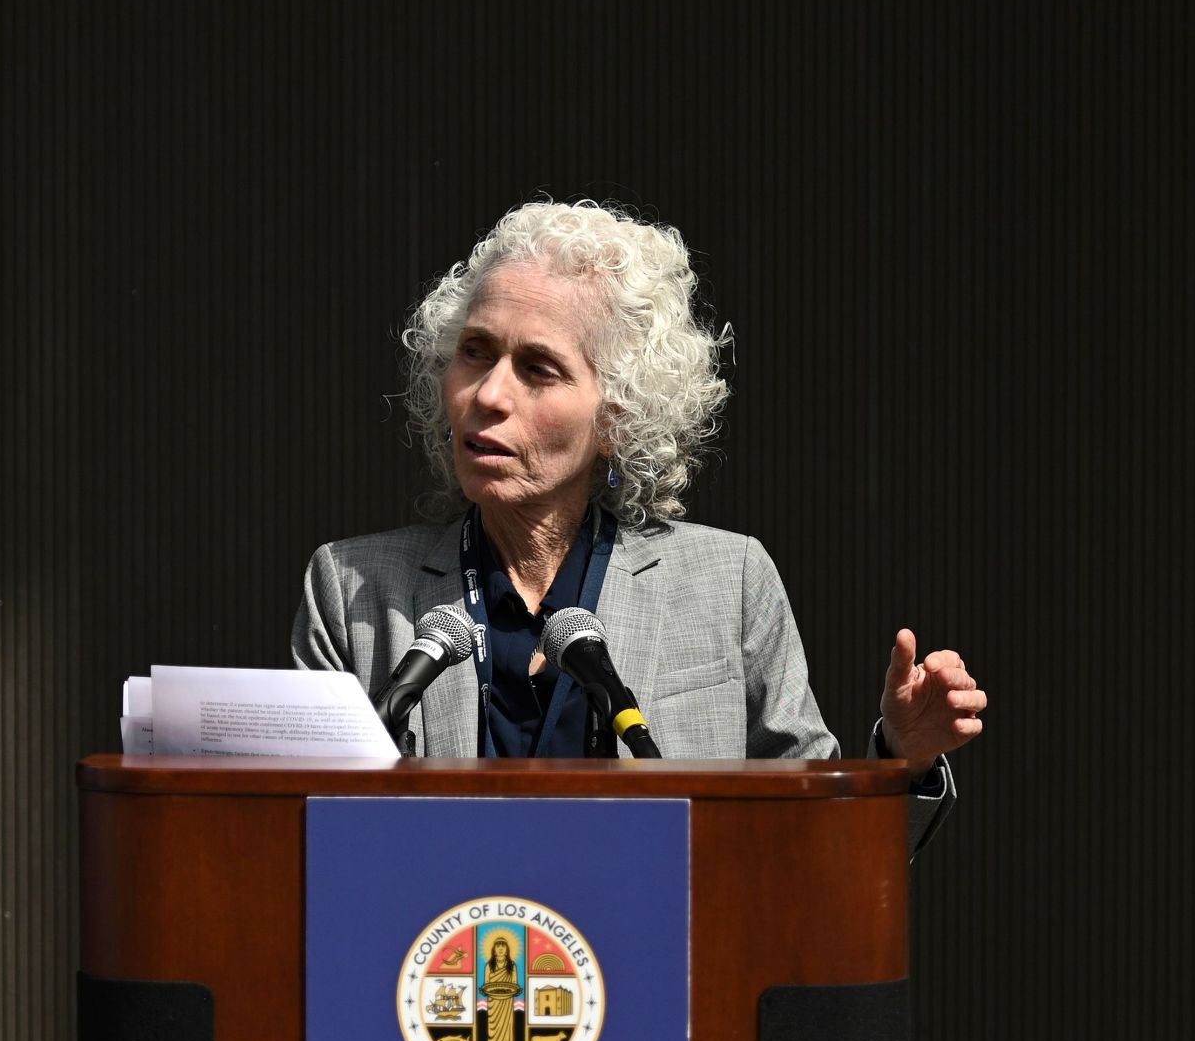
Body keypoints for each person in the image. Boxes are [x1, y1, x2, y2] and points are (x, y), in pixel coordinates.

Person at [291, 201, 985, 793]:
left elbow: (809, 846)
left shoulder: (728, 583)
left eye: (538, 368)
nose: (489, 395)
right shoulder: (349, 590)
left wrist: (903, 755)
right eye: (475, 351)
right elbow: (297, 840)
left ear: (617, 416)